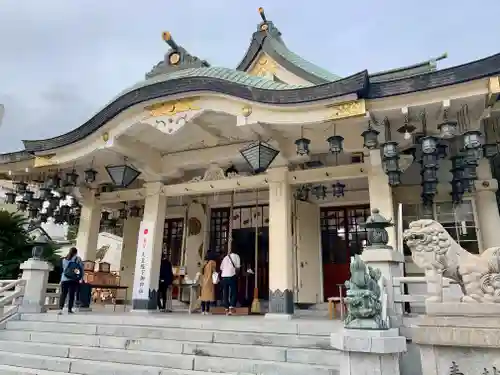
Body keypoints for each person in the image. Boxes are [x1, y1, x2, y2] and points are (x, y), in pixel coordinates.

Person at [59, 247, 83, 315]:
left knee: (63, 294)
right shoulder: (78, 259)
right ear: (76, 252)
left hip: (64, 279)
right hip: (74, 279)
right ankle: (69, 309)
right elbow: (81, 269)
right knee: (71, 295)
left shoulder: (64, 259)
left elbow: (64, 270)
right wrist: (80, 277)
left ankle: (60, 309)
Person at [220, 248, 241, 315]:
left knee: (225, 292)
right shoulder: (237, 256)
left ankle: (226, 308)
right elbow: (238, 267)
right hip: (231, 275)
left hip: (224, 277)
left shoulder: (225, 257)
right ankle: (231, 307)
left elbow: (221, 268)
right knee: (234, 291)